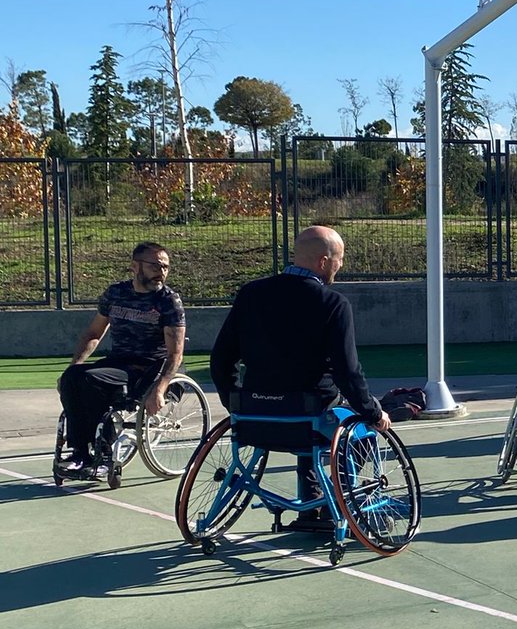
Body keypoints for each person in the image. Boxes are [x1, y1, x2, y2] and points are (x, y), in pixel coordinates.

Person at [209, 225, 389, 530]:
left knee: (312, 411)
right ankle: (338, 500)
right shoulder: (333, 304)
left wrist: (234, 403)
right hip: (308, 417)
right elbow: (348, 371)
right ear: (322, 261)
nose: (340, 265)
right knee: (355, 427)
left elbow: (221, 358)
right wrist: (372, 411)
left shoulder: (251, 294)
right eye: (338, 259)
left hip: (254, 418)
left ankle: (310, 504)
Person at [57, 241, 186, 478]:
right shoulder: (116, 294)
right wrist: (74, 364)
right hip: (120, 362)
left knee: (91, 380)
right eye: (155, 266)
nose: (162, 272)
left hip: (150, 368)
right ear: (135, 266)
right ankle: (80, 452)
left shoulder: (168, 301)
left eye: (166, 267)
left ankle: (103, 453)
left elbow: (175, 353)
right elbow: (94, 333)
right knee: (72, 377)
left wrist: (160, 388)